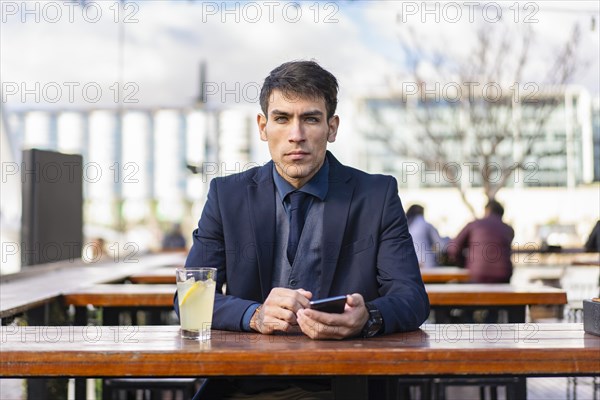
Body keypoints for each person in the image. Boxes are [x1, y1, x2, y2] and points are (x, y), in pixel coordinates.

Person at [175, 61, 429, 398]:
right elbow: (187, 297)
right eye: (282, 118)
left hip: (345, 384)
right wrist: (254, 315)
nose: (297, 135)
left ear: (332, 128)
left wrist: (368, 318)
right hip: (245, 384)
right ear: (263, 127)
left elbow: (412, 298)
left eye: (310, 118)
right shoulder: (227, 196)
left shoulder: (376, 195)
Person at [448, 200, 514, 283]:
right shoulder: (508, 229)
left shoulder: (474, 225)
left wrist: (464, 263)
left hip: (477, 275)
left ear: (487, 210)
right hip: (503, 277)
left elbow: (453, 248)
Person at [406, 204, 448, 268]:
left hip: (409, 265)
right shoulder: (425, 224)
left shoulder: (406, 226)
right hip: (427, 264)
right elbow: (441, 245)